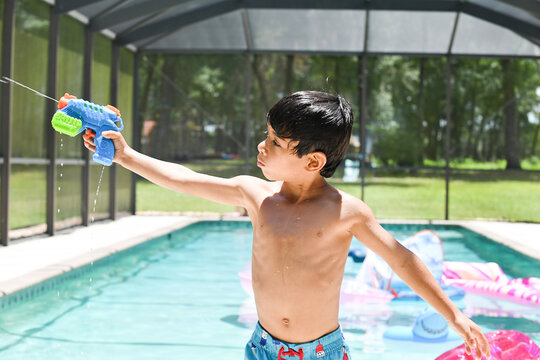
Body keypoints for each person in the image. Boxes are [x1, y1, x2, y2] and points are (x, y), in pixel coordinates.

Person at [83, 91, 491, 360]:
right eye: (267, 135)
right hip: (261, 346)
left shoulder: (346, 211)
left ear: (313, 161)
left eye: (276, 142)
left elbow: (402, 261)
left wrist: (454, 315)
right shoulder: (256, 196)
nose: (262, 145)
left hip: (321, 352)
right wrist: (126, 155)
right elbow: (185, 179)